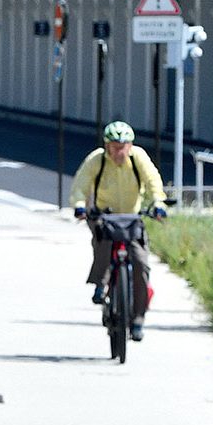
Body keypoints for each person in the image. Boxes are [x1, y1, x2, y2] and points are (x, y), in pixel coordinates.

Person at [69, 120, 167, 341]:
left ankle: (138, 318)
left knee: (141, 264)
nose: (119, 151)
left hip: (132, 218)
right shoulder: (97, 160)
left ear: (130, 146)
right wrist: (79, 206)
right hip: (105, 215)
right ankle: (101, 284)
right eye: (114, 146)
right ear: (106, 145)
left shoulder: (137, 157)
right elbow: (80, 184)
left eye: (123, 146)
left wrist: (158, 202)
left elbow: (152, 181)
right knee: (102, 244)